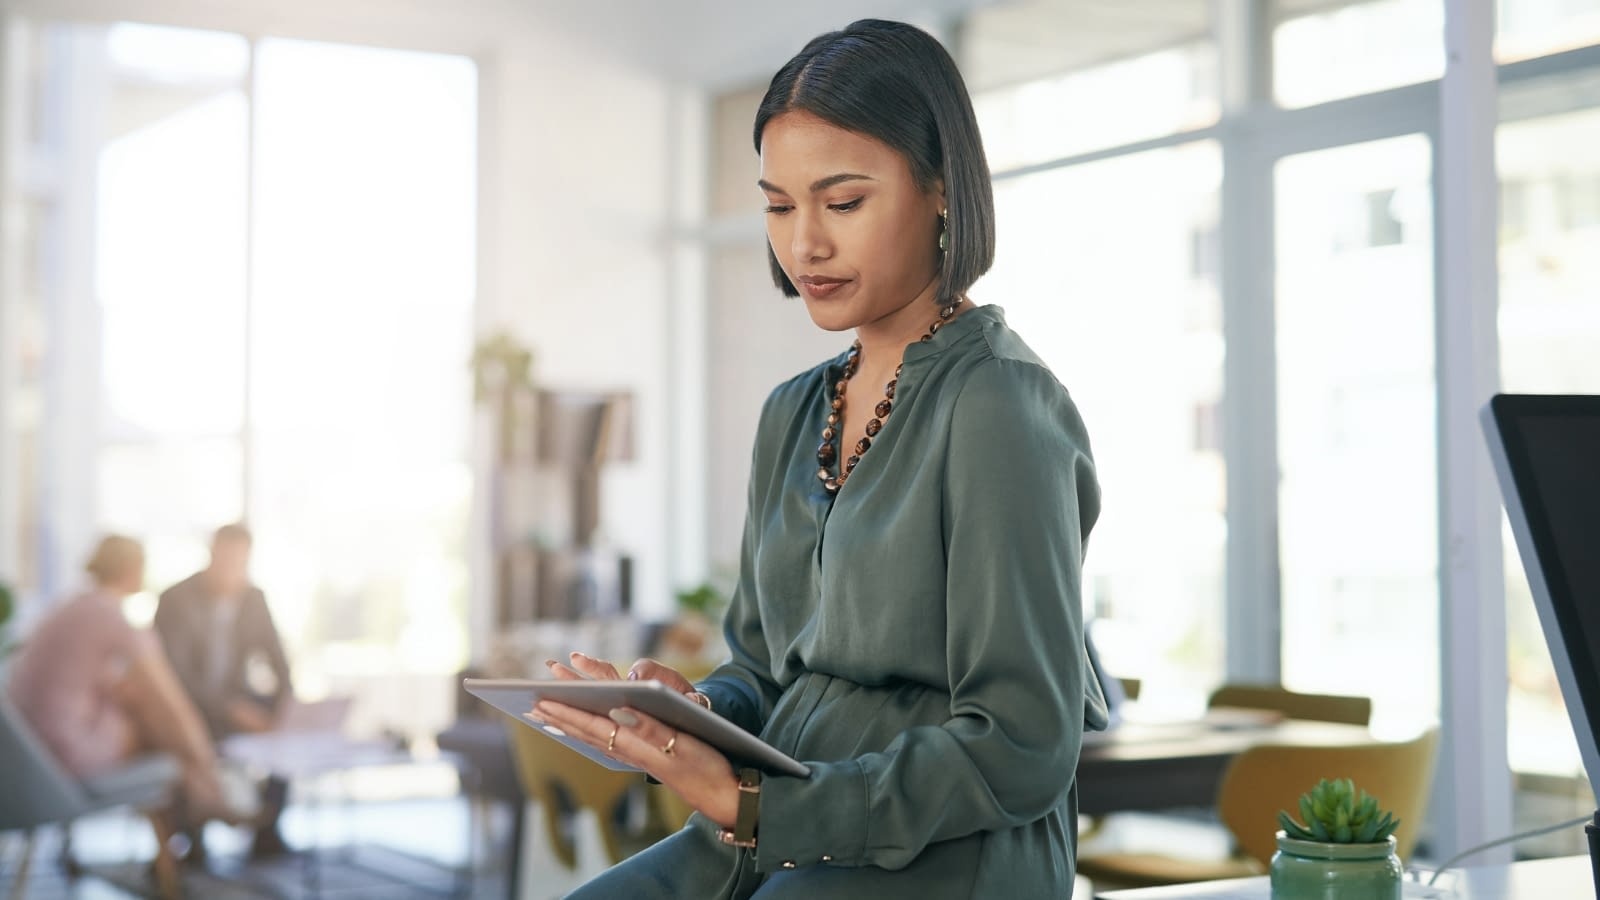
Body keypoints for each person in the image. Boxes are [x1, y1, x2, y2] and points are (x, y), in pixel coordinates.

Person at [530, 19, 1107, 899]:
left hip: (947, 844)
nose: (805, 245)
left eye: (842, 203)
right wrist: (688, 714)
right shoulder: (792, 412)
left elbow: (1022, 742)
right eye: (777, 205)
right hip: (771, 822)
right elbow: (763, 671)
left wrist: (764, 807)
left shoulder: (1000, 407)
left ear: (941, 191)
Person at [7, 535, 245, 828]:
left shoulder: (71, 606)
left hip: (26, 759)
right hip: (62, 757)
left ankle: (203, 796)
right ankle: (209, 791)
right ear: (132, 568)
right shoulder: (108, 614)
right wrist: (202, 754)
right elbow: (168, 696)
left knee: (138, 700)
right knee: (157, 714)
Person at [155, 523, 292, 859]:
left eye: (239, 560)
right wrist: (230, 709)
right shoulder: (176, 599)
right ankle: (192, 838)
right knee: (187, 736)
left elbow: (276, 657)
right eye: (225, 558)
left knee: (282, 734)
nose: (231, 568)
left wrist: (286, 706)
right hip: (187, 703)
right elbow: (176, 675)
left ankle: (267, 829)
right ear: (212, 554)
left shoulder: (253, 598)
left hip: (236, 698)